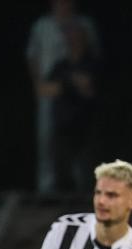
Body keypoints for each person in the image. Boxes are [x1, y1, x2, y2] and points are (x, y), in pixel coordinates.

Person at [26, 0, 100, 194]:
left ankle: (79, 187)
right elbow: (33, 56)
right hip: (53, 89)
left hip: (77, 98)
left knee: (78, 143)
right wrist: (39, 84)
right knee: (47, 140)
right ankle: (47, 188)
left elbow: (93, 60)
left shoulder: (84, 24)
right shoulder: (42, 26)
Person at [42, 23, 100, 192]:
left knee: (85, 175)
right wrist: (71, 83)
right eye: (70, 38)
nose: (73, 41)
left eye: (76, 37)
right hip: (62, 125)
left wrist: (67, 85)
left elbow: (89, 89)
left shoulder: (92, 63)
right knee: (61, 172)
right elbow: (45, 89)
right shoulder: (61, 65)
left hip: (84, 125)